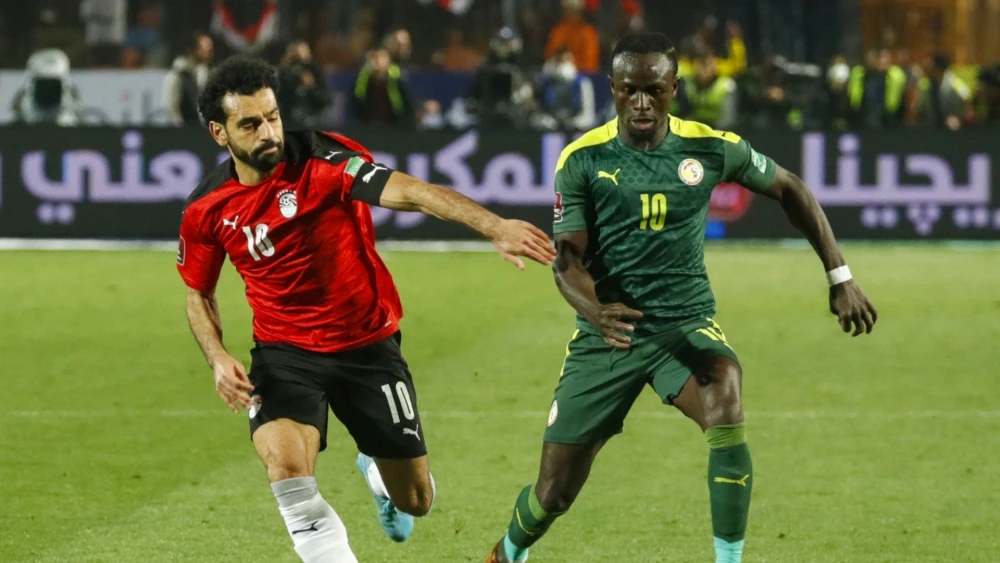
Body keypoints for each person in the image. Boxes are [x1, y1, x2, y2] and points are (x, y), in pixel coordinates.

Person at [483, 32, 878, 563]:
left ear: (674, 87)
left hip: (683, 325)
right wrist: (595, 311)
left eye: (653, 90)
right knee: (554, 494)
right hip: (608, 332)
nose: (641, 103)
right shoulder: (583, 159)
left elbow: (791, 188)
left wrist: (840, 275)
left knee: (724, 390)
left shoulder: (709, 147)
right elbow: (566, 260)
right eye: (629, 90)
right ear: (613, 88)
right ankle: (509, 550)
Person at [176, 55, 555, 563]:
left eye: (273, 116)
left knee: (417, 500)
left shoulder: (324, 160)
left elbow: (413, 193)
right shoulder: (206, 209)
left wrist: (494, 226)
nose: (268, 132)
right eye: (250, 124)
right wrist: (218, 358)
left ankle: (376, 472)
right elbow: (198, 293)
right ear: (219, 133)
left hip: (366, 346)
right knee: (287, 472)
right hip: (284, 354)